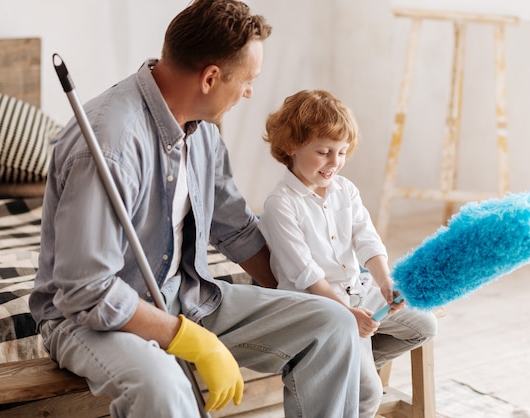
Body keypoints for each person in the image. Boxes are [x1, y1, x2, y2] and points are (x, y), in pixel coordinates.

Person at [29, 2, 362, 417]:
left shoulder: (202, 132)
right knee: (165, 389)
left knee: (331, 324)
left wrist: (310, 292)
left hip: (184, 296)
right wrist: (188, 339)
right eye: (247, 81)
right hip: (94, 320)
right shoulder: (111, 145)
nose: (249, 92)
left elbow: (236, 228)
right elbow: (85, 290)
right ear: (210, 78)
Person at [258, 90, 438, 418]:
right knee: (366, 393)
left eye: (341, 152)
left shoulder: (345, 189)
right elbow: (306, 274)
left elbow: (367, 239)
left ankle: (344, 371)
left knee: (423, 324)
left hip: (358, 295)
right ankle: (349, 378)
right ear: (290, 146)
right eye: (324, 152)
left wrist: (385, 282)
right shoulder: (280, 204)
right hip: (317, 306)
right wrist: (346, 314)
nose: (334, 163)